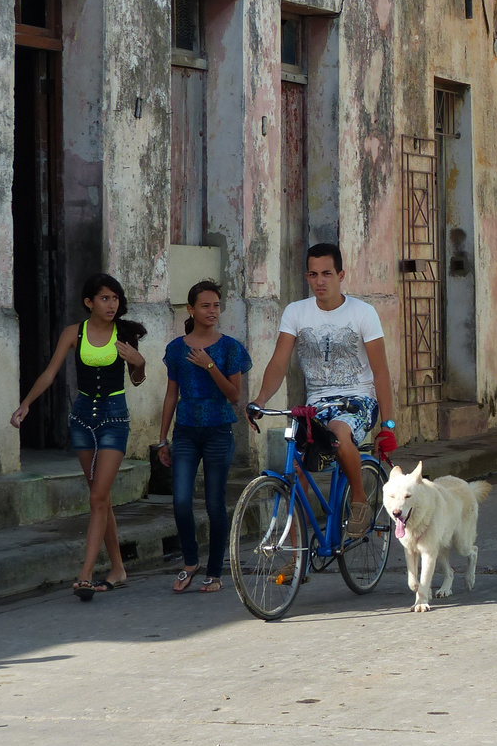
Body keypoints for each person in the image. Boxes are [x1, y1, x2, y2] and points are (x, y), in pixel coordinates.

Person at [249, 244, 397, 546]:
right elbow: (279, 362)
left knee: (339, 434)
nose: (320, 281)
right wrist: (260, 400)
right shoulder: (296, 312)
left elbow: (381, 372)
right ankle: (294, 558)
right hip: (316, 405)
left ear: (341, 275)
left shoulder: (363, 313)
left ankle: (358, 501)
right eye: (313, 274)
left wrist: (389, 424)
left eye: (327, 274)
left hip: (359, 399)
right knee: (295, 476)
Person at [11, 274, 147, 599]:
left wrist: (140, 364)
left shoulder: (124, 335)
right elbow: (50, 371)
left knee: (98, 498)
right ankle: (118, 568)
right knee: (100, 497)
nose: (111, 304)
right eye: (104, 298)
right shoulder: (75, 333)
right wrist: (26, 404)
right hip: (82, 420)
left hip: (115, 419)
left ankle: (85, 574)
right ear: (89, 302)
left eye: (115, 298)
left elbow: (137, 379)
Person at [158, 281, 251, 594]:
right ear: (191, 309)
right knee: (181, 500)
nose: (212, 311)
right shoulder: (176, 349)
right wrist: (162, 439)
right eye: (205, 306)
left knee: (214, 504)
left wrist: (210, 365)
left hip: (219, 431)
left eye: (216, 306)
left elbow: (234, 395)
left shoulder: (230, 348)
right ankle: (190, 562)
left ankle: (214, 572)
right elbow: (172, 394)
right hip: (184, 431)